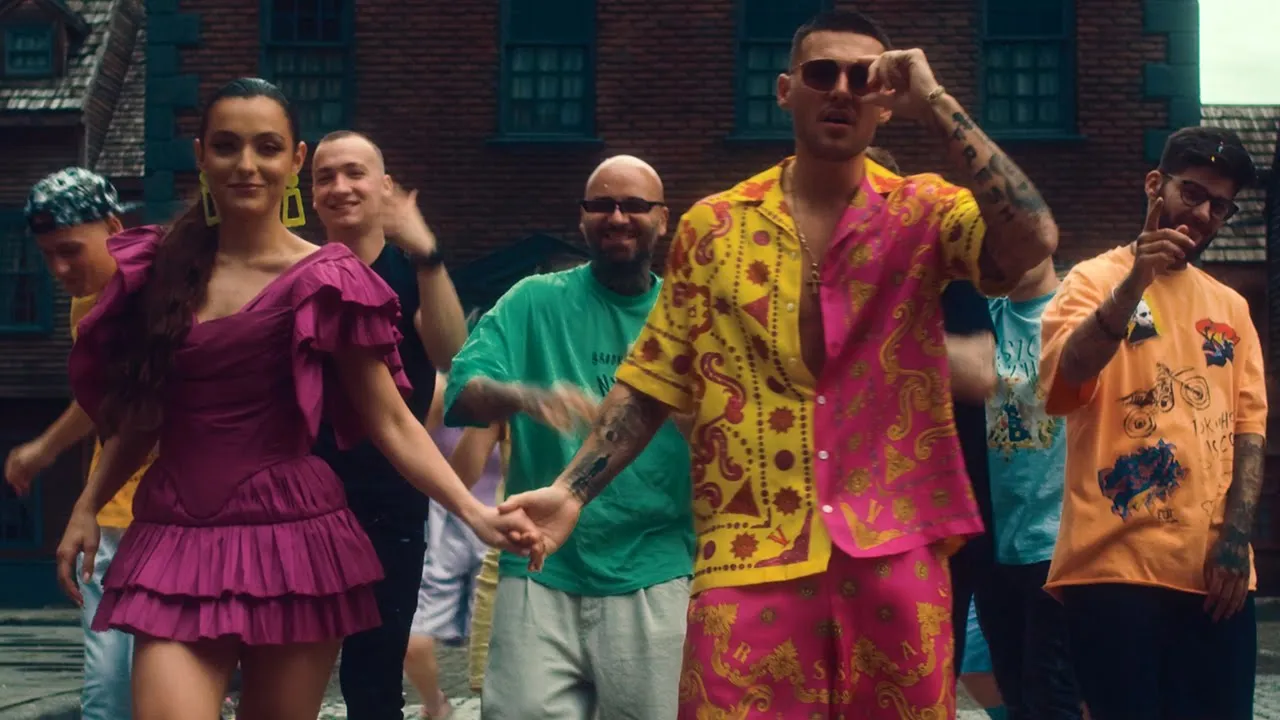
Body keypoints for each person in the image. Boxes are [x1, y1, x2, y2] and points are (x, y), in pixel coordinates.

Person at [500, 9, 1058, 718]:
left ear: (887, 101)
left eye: (865, 77)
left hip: (894, 546)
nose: (843, 89)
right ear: (786, 90)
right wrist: (572, 492)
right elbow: (650, 384)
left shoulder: (925, 211)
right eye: (823, 74)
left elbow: (1032, 240)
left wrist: (937, 101)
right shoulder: (713, 227)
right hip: (748, 550)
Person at [52, 77, 540, 720]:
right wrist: (87, 504)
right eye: (226, 146)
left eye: (267, 147)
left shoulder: (328, 280)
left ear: (294, 159)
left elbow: (391, 420)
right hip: (177, 532)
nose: (246, 164)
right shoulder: (160, 270)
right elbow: (144, 415)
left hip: (293, 539)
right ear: (201, 155)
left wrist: (473, 513)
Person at [445, 155, 695, 720]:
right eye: (601, 205)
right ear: (581, 218)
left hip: (655, 568)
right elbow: (463, 391)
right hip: (539, 564)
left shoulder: (684, 316)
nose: (617, 217)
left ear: (663, 218)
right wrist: (525, 395)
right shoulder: (534, 300)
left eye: (634, 205)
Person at [1038, 126, 1263, 720]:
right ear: (1155, 184)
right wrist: (1134, 282)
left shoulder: (1232, 307)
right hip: (1113, 570)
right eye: (1194, 193)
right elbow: (1067, 377)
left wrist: (1237, 540)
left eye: (1221, 206)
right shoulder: (1089, 281)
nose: (1205, 214)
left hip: (1216, 577)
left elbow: (1249, 430)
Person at [309, 129, 469, 720]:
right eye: (325, 177)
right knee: (286, 668)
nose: (340, 187)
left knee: (374, 679)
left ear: (385, 186)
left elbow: (451, 353)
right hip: (304, 496)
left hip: (391, 497)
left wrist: (428, 254)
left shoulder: (412, 270)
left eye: (354, 172)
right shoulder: (299, 272)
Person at [4, 168, 148, 720]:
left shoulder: (159, 294)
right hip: (111, 515)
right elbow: (102, 395)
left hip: (169, 514)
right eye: (47, 255)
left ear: (113, 227)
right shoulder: (86, 304)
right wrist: (46, 451)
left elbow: (129, 401)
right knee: (109, 689)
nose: (58, 269)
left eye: (69, 251)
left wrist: (46, 452)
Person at [977, 254, 1083, 719]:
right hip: (995, 546)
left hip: (1058, 542)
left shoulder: (1078, 306)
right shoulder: (984, 317)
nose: (1008, 252)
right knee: (1015, 695)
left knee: (1053, 697)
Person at [404, 373, 503, 719]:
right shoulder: (439, 389)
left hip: (503, 525)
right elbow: (409, 448)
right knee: (412, 640)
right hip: (445, 523)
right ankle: (435, 705)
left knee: (497, 651)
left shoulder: (518, 386)